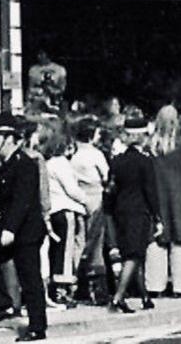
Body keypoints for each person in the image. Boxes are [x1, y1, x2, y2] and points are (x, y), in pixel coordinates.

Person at [0, 113, 48, 342]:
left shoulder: (25, 163)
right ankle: (4, 305)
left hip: (25, 230)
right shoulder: (7, 164)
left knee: (30, 278)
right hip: (8, 225)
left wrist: (11, 229)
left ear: (9, 138)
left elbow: (23, 200)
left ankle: (37, 327)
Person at [105, 112, 162, 314]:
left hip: (120, 211)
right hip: (139, 211)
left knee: (133, 253)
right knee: (135, 253)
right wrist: (158, 217)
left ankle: (144, 296)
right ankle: (118, 297)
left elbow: (110, 189)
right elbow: (150, 191)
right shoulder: (145, 162)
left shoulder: (117, 161)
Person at [145, 106, 181, 298]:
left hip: (157, 193)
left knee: (157, 241)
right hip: (179, 194)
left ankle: (155, 286)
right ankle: (180, 287)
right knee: (179, 242)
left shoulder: (150, 144)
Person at [41, 124, 86, 308]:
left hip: (53, 211)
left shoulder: (48, 163)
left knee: (55, 251)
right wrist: (85, 200)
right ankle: (62, 289)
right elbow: (72, 189)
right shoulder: (61, 164)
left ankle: (55, 286)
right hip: (66, 210)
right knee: (66, 252)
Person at [68, 119, 109, 305]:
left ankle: (78, 283)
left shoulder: (75, 156)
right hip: (96, 197)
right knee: (97, 243)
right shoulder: (96, 155)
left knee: (81, 241)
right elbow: (106, 175)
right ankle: (98, 287)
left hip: (79, 199)